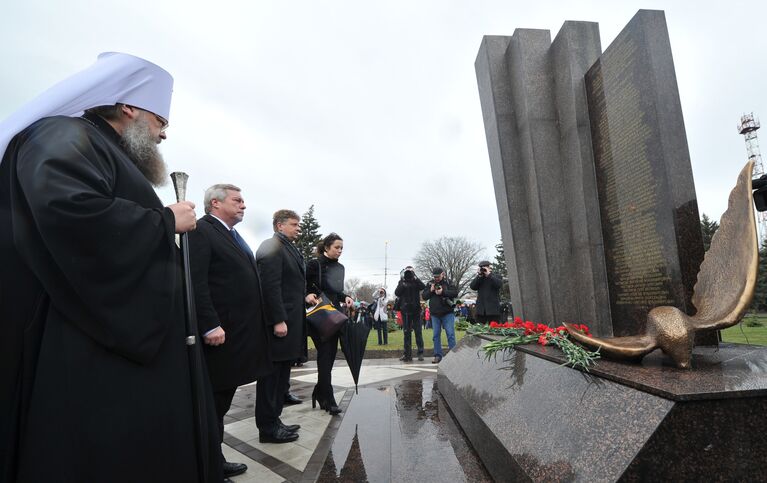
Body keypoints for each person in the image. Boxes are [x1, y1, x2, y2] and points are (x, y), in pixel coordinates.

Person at [0, 53, 221, 482]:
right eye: (161, 119)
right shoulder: (63, 133)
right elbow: (66, 211)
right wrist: (164, 221)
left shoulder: (102, 147)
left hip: (120, 341)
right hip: (86, 344)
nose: (164, 132)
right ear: (129, 107)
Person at [189, 184, 274, 480]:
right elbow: (195, 282)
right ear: (215, 203)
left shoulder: (232, 236)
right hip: (219, 335)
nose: (244, 206)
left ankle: (215, 457)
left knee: (221, 403)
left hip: (238, 335)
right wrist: (209, 323)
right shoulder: (202, 230)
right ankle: (207, 465)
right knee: (212, 403)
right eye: (237, 200)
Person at [255, 209, 312, 444]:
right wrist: (278, 319)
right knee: (271, 377)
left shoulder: (288, 247)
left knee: (282, 376)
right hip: (280, 323)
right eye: (294, 224)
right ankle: (267, 428)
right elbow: (270, 285)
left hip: (292, 322)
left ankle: (275, 420)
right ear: (279, 225)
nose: (298, 228)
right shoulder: (272, 246)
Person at [306, 233, 354, 415]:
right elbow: (303, 285)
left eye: (342, 248)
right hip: (318, 316)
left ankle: (321, 392)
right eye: (337, 247)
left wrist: (347, 297)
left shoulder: (340, 268)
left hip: (335, 317)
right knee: (325, 356)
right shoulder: (314, 264)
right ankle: (328, 396)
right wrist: (307, 294)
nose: (340, 251)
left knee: (329, 357)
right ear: (326, 247)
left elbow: (337, 292)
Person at [422, 267, 458, 363]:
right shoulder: (430, 283)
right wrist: (431, 290)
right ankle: (438, 355)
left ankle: (453, 356)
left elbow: (455, 293)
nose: (436, 278)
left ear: (443, 274)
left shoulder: (449, 282)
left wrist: (443, 292)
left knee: (450, 334)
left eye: (438, 276)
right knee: (436, 335)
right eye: (434, 277)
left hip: (447, 313)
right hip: (435, 314)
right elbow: (424, 296)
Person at [394, 265, 426, 362]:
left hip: (416, 310)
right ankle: (407, 354)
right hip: (405, 311)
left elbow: (423, 287)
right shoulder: (402, 281)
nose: (408, 273)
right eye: (407, 271)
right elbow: (397, 293)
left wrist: (415, 277)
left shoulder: (416, 281)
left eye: (410, 271)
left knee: (418, 332)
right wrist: (402, 282)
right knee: (406, 332)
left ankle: (420, 353)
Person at [469, 260, 503, 325]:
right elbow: (472, 286)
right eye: (482, 268)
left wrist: (489, 275)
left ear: (489, 267)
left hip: (493, 311)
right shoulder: (479, 278)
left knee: (494, 330)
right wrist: (479, 276)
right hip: (481, 311)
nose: (483, 270)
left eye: (485, 268)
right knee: (480, 330)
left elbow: (499, 284)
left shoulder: (496, 276)